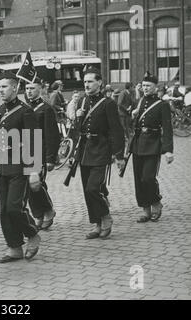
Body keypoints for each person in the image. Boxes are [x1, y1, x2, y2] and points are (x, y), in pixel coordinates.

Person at [0, 70, 41, 263]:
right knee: (4, 210)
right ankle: (14, 247)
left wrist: (34, 170)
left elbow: (33, 141)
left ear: (15, 88)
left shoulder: (25, 110)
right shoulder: (0, 109)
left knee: (14, 207)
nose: (1, 90)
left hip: (19, 165)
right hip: (2, 164)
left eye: (5, 87)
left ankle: (32, 233)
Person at [75, 67, 125, 240]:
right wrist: (77, 117)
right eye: (85, 82)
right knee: (87, 190)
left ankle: (106, 217)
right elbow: (77, 129)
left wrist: (119, 155)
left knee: (93, 187)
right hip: (85, 151)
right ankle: (97, 223)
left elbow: (117, 131)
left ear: (100, 83)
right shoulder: (82, 101)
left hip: (101, 150)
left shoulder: (108, 103)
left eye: (90, 81)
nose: (86, 85)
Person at [130, 72, 174, 223]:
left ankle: (156, 202)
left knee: (148, 177)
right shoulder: (141, 101)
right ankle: (145, 210)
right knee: (138, 179)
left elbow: (167, 129)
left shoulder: (162, 105)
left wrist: (168, 150)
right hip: (137, 145)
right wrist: (134, 115)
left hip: (153, 145)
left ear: (156, 87)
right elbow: (135, 125)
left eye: (149, 86)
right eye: (143, 86)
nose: (145, 88)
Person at [25, 78, 61, 230]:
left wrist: (50, 158)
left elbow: (52, 135)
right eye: (26, 88)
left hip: (40, 152)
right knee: (28, 186)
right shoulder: (24, 108)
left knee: (37, 184)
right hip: (26, 152)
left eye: (32, 88)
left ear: (40, 89)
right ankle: (38, 214)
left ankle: (48, 210)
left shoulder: (46, 109)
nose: (29, 91)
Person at [118, 83, 134, 155]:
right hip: (122, 115)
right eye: (132, 87)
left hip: (127, 115)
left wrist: (130, 107)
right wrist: (126, 109)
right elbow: (119, 103)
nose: (133, 89)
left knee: (128, 131)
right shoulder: (123, 93)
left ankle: (127, 150)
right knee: (123, 130)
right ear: (129, 87)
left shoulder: (129, 93)